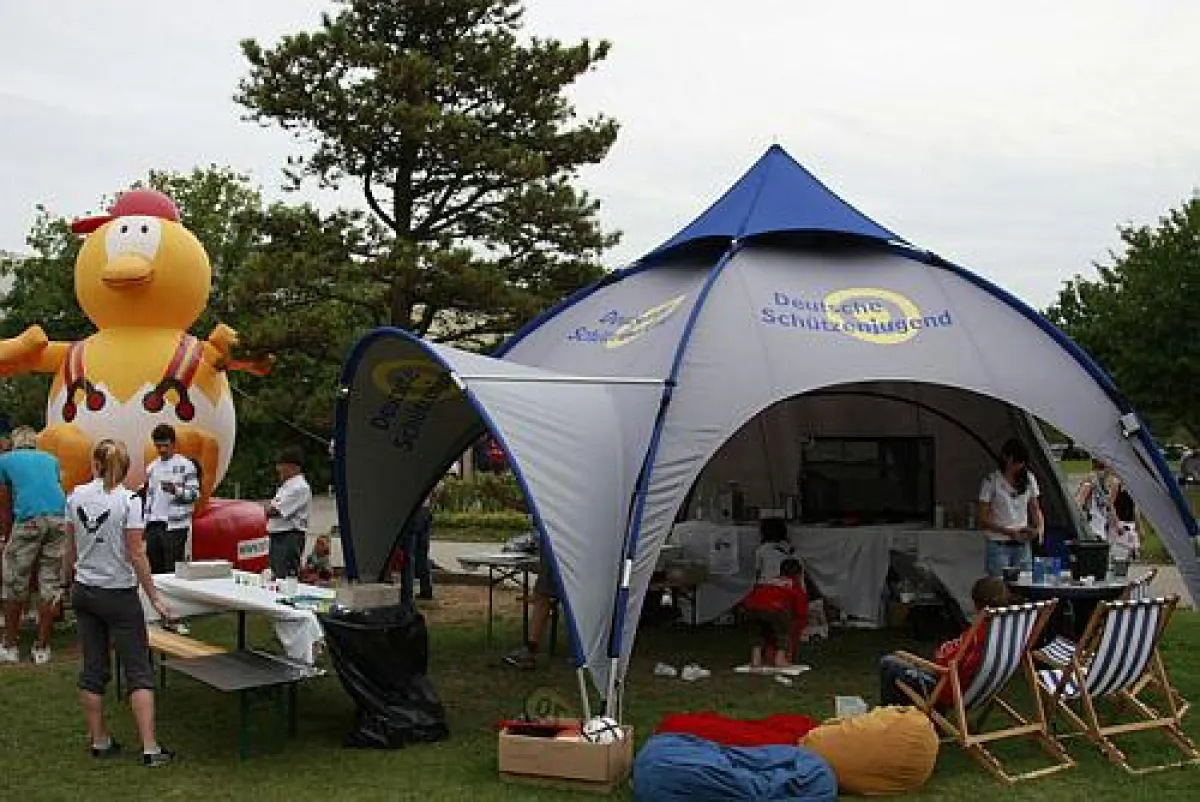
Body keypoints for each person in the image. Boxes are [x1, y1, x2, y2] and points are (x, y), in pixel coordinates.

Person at [65, 439, 174, 766]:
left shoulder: (75, 496)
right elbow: (136, 553)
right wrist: (154, 596)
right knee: (138, 669)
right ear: (126, 468)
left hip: (85, 589)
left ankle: (99, 740)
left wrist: (67, 579)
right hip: (118, 593)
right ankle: (150, 748)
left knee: (93, 668)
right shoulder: (129, 502)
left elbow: (69, 547)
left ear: (95, 464)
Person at [878, 576, 1010, 706]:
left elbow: (944, 661)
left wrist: (943, 650)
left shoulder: (977, 635)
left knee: (889, 663)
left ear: (975, 604)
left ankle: (894, 718)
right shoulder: (1007, 632)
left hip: (951, 690)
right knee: (908, 658)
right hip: (984, 689)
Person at [0, 426, 68, 665]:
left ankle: (9, 645)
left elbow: (6, 504)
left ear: (15, 443)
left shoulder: (5, 460)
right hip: (58, 518)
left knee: (13, 582)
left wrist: (7, 537)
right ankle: (42, 648)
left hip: (29, 520)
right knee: (48, 584)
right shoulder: (51, 460)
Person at [977, 438, 1044, 578]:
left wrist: (1038, 530)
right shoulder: (991, 480)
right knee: (1000, 588)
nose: (1017, 466)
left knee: (1025, 585)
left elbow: (1035, 508)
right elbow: (983, 518)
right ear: (1006, 458)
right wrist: (1008, 532)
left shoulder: (1029, 478)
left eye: (1021, 463)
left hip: (1022, 544)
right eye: (1014, 462)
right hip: (998, 544)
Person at [142, 424, 200, 574]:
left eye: (165, 446)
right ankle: (156, 597)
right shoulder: (152, 467)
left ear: (173, 443)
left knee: (172, 569)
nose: (162, 450)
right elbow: (149, 497)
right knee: (154, 568)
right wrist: (145, 522)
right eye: (158, 446)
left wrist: (176, 490)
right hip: (154, 524)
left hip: (175, 525)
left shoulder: (186, 466)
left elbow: (195, 494)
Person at [742, 557, 808, 669]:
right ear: (798, 574)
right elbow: (801, 610)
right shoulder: (793, 585)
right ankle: (780, 659)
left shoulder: (770, 581)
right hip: (775, 608)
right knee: (783, 632)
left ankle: (755, 660)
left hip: (751, 607)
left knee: (758, 632)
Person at [503, 546, 558, 670]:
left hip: (556, 548)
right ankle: (530, 650)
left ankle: (530, 652)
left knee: (542, 597)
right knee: (542, 597)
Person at [264, 446, 312, 580]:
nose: (278, 469)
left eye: (281, 465)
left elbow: (274, 510)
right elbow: (270, 507)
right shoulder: (287, 486)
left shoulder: (299, 487)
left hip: (289, 537)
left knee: (285, 577)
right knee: (276, 575)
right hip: (278, 535)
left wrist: (269, 508)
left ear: (293, 467)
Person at [398, 494, 434, 604]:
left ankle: (407, 595)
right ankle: (426, 589)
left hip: (412, 510)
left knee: (408, 557)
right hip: (425, 510)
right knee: (422, 554)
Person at [1074, 458, 1120, 543]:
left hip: (1101, 528)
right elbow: (1078, 503)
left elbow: (1109, 506)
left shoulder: (1106, 483)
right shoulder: (1090, 480)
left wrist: (1117, 524)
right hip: (1092, 528)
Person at [754, 517, 796, 582]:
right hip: (786, 584)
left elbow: (758, 572)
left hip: (767, 585)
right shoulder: (789, 548)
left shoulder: (761, 550)